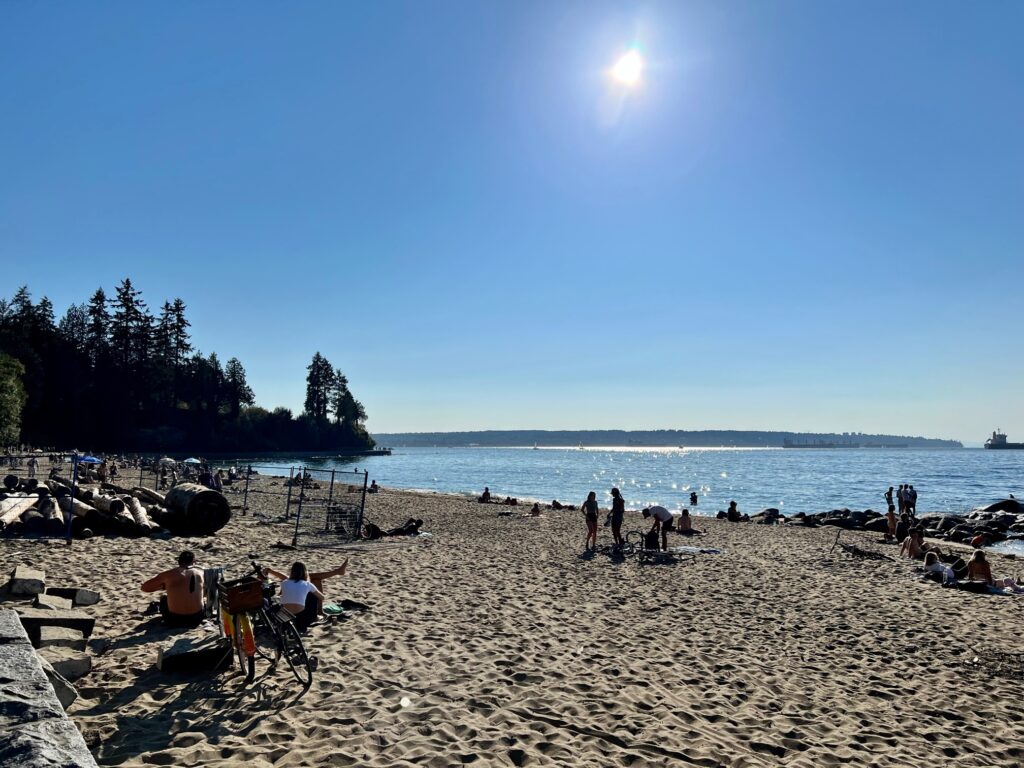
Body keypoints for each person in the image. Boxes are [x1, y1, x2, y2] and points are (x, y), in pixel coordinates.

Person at [141, 551, 206, 628]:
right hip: (196, 619)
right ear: (193, 562)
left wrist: (163, 587)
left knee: (164, 599)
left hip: (173, 620)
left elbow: (144, 588)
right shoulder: (201, 573)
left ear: (179, 561)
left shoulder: (169, 574)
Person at [262, 562, 326, 632]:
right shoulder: (308, 584)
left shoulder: (284, 583)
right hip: (302, 616)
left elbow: (286, 584)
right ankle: (314, 617)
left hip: (286, 614)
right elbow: (322, 597)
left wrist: (271, 571)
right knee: (312, 596)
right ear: (305, 573)